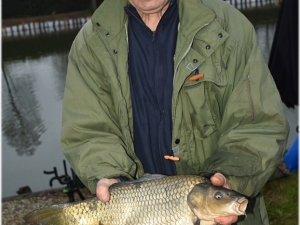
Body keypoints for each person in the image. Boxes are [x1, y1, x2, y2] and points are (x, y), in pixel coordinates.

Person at [61, 0, 289, 224]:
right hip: (132, 215)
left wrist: (229, 178)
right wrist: (109, 174)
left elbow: (258, 124)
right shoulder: (89, 44)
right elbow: (89, 131)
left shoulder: (228, 26)